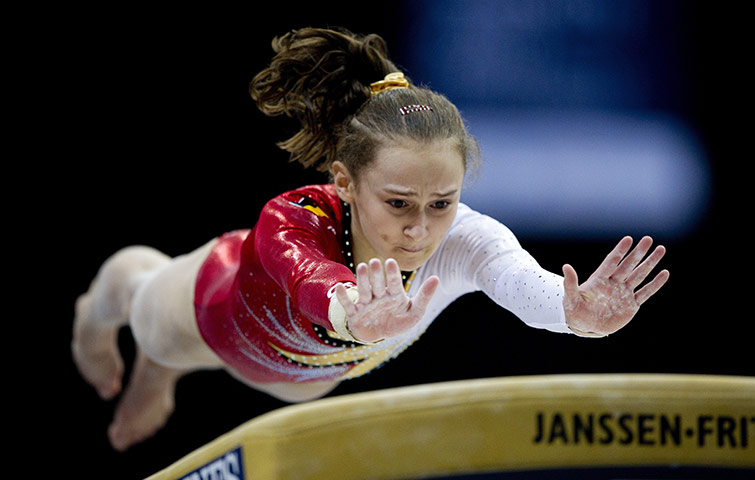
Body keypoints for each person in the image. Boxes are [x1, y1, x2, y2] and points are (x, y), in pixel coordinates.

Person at [72, 27, 669, 452]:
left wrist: (572, 313)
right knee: (142, 304)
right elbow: (311, 278)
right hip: (213, 308)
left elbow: (516, 279)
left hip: (303, 374)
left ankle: (158, 371)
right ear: (346, 182)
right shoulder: (294, 217)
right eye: (397, 203)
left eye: (442, 203)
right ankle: (105, 325)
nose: (419, 228)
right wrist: (352, 312)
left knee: (297, 397)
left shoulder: (464, 239)